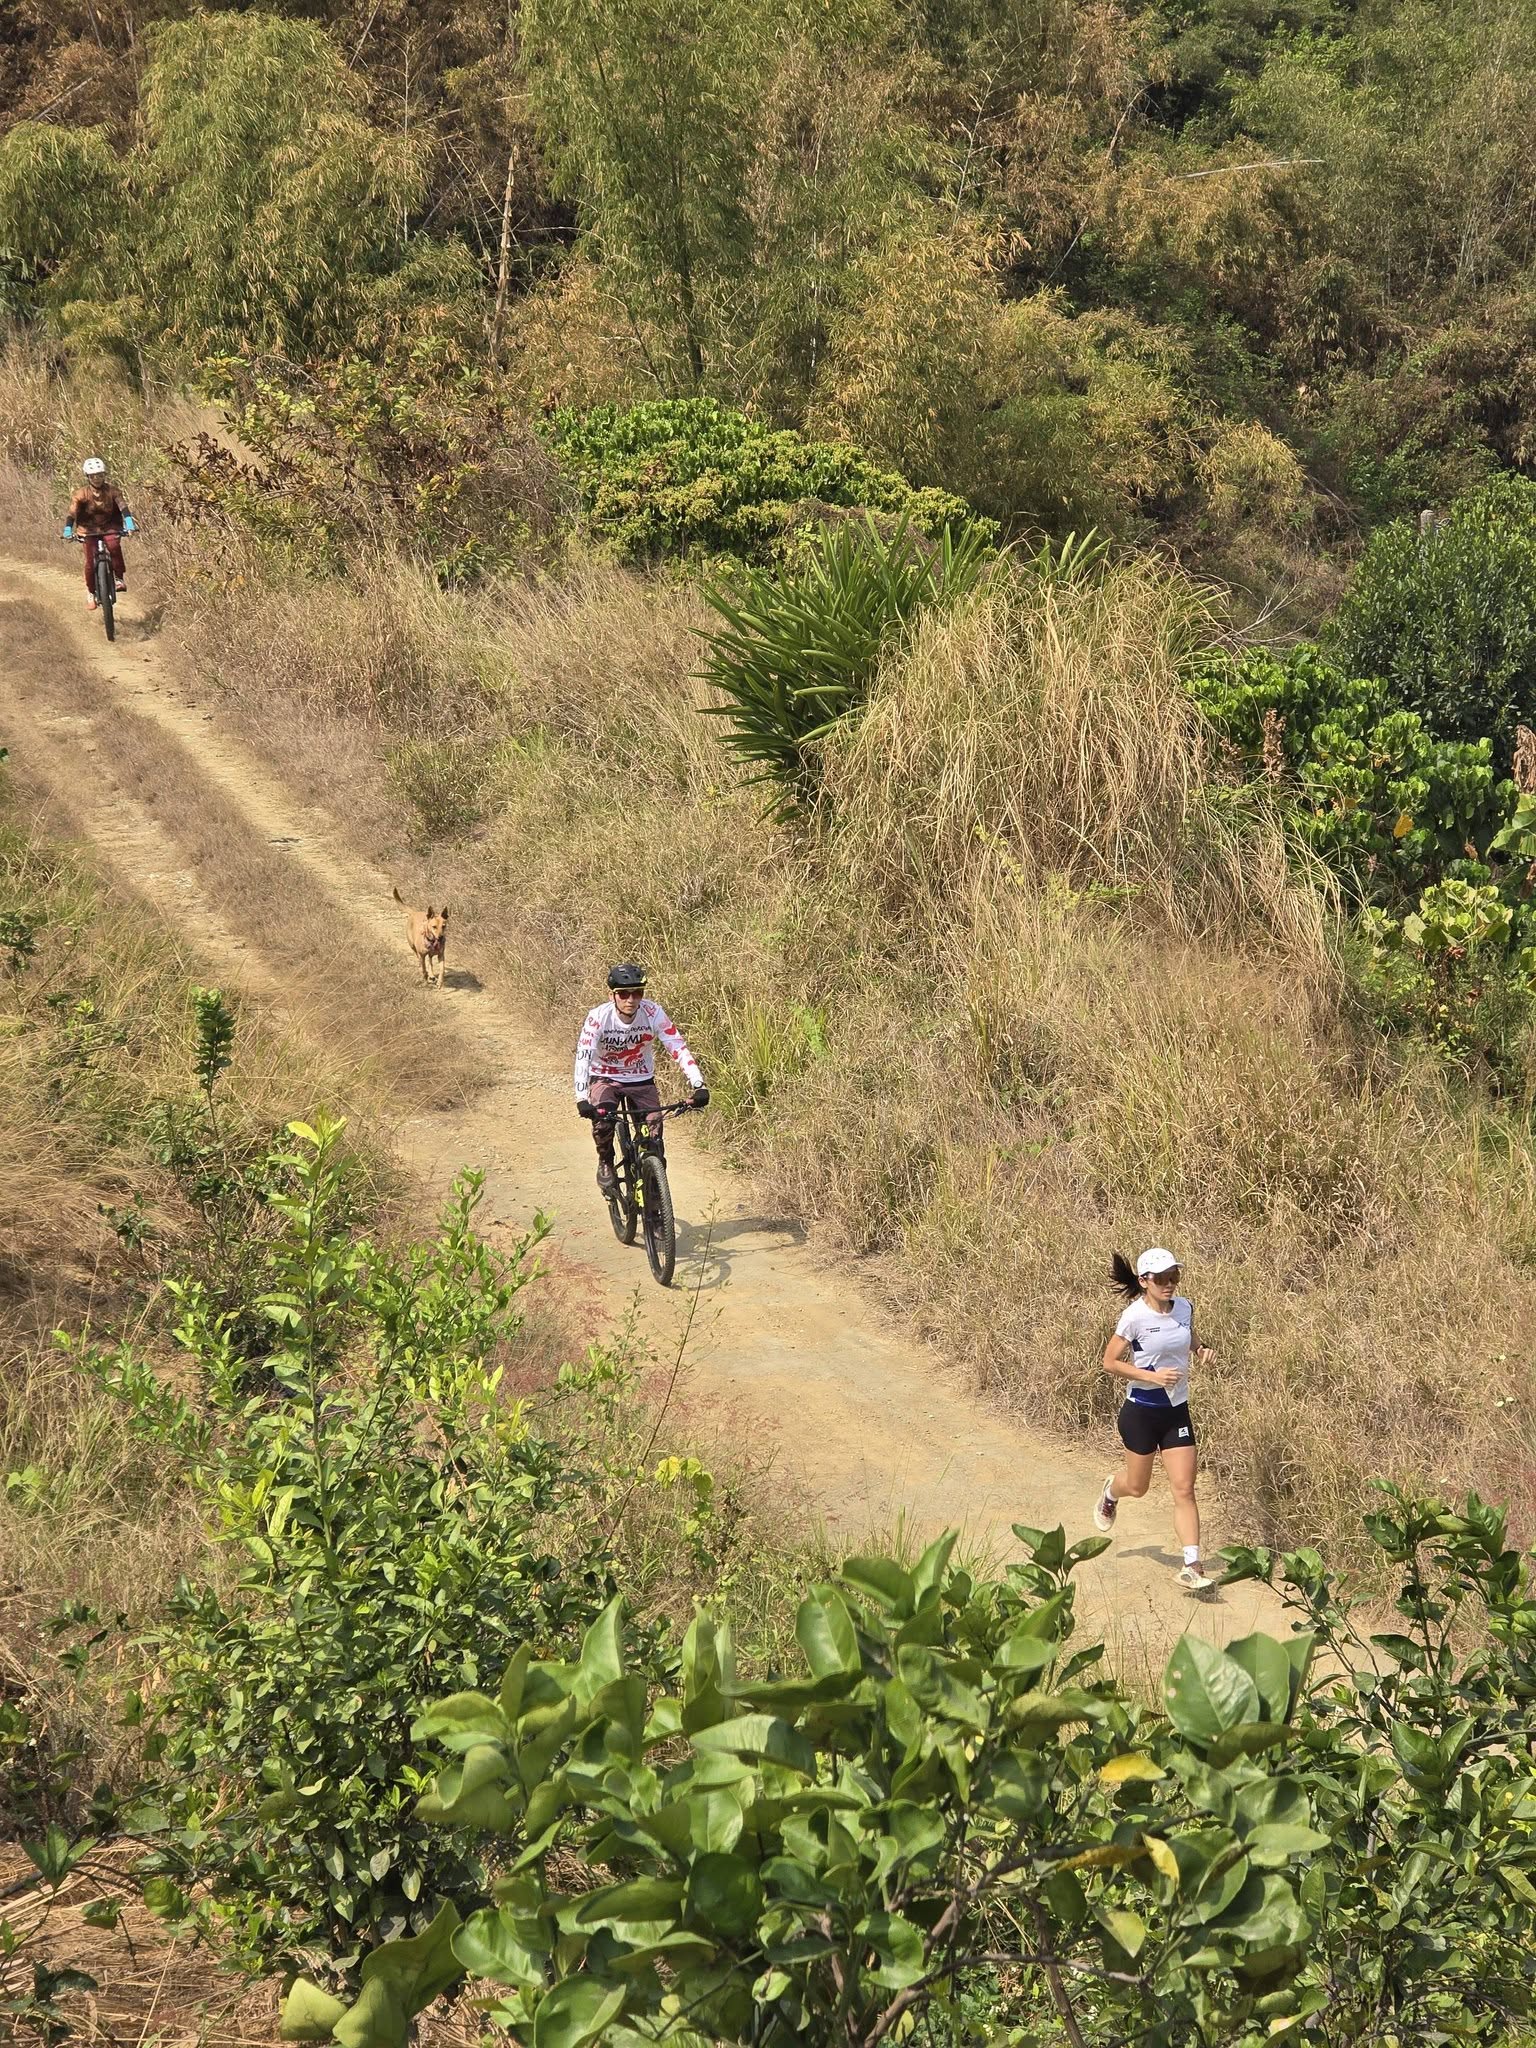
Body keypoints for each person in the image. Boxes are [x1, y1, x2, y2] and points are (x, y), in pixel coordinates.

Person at [1092, 1247, 1216, 1593]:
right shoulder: (1134, 1317)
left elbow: (1186, 1334)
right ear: (1144, 1281)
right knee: (1138, 1486)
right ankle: (1111, 1492)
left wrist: (1200, 1349)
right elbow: (1109, 1362)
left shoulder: (1185, 1307)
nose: (1169, 1283)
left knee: (1184, 1488)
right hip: (1141, 1412)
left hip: (1176, 1410)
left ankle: (1191, 1564)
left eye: (1174, 1276)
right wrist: (1152, 1377)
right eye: (1161, 1278)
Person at [574, 963, 708, 1192]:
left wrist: (698, 1084)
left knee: (654, 1139)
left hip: (641, 1079)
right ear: (612, 995)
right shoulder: (598, 1018)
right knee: (603, 1123)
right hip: (604, 1076)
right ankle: (606, 1161)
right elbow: (584, 1056)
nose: (631, 999)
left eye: (637, 993)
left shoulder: (653, 1013)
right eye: (624, 994)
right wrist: (581, 1098)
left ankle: (655, 1202)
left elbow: (678, 1047)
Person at [62, 457, 135, 610]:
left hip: (110, 526)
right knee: (89, 561)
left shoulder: (113, 491)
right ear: (87, 477)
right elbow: (72, 513)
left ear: (104, 475)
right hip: (87, 529)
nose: (97, 479)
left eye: (100, 475)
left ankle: (118, 578)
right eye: (93, 476)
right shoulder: (81, 494)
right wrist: (68, 529)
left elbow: (123, 507)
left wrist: (129, 523)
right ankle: (91, 592)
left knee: (114, 546)